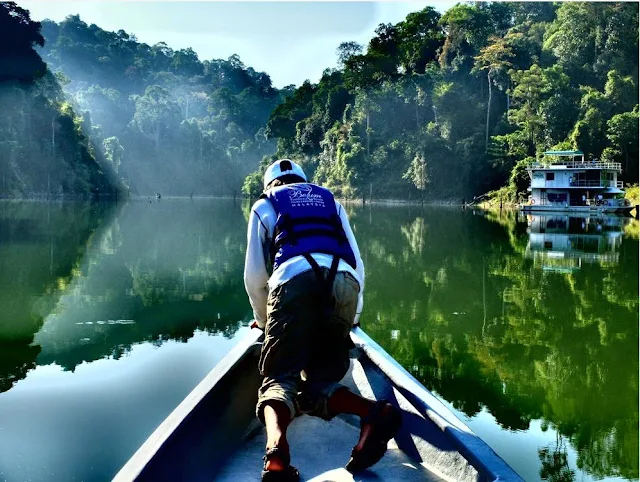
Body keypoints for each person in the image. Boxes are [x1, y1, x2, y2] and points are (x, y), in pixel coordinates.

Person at [244, 159, 401, 482]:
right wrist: (353, 317)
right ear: (303, 181)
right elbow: (356, 262)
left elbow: (256, 277)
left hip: (292, 279)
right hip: (343, 282)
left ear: (269, 184)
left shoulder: (265, 205)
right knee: (318, 383)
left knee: (279, 377)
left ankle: (276, 450)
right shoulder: (331, 200)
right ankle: (374, 412)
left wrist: (263, 320)